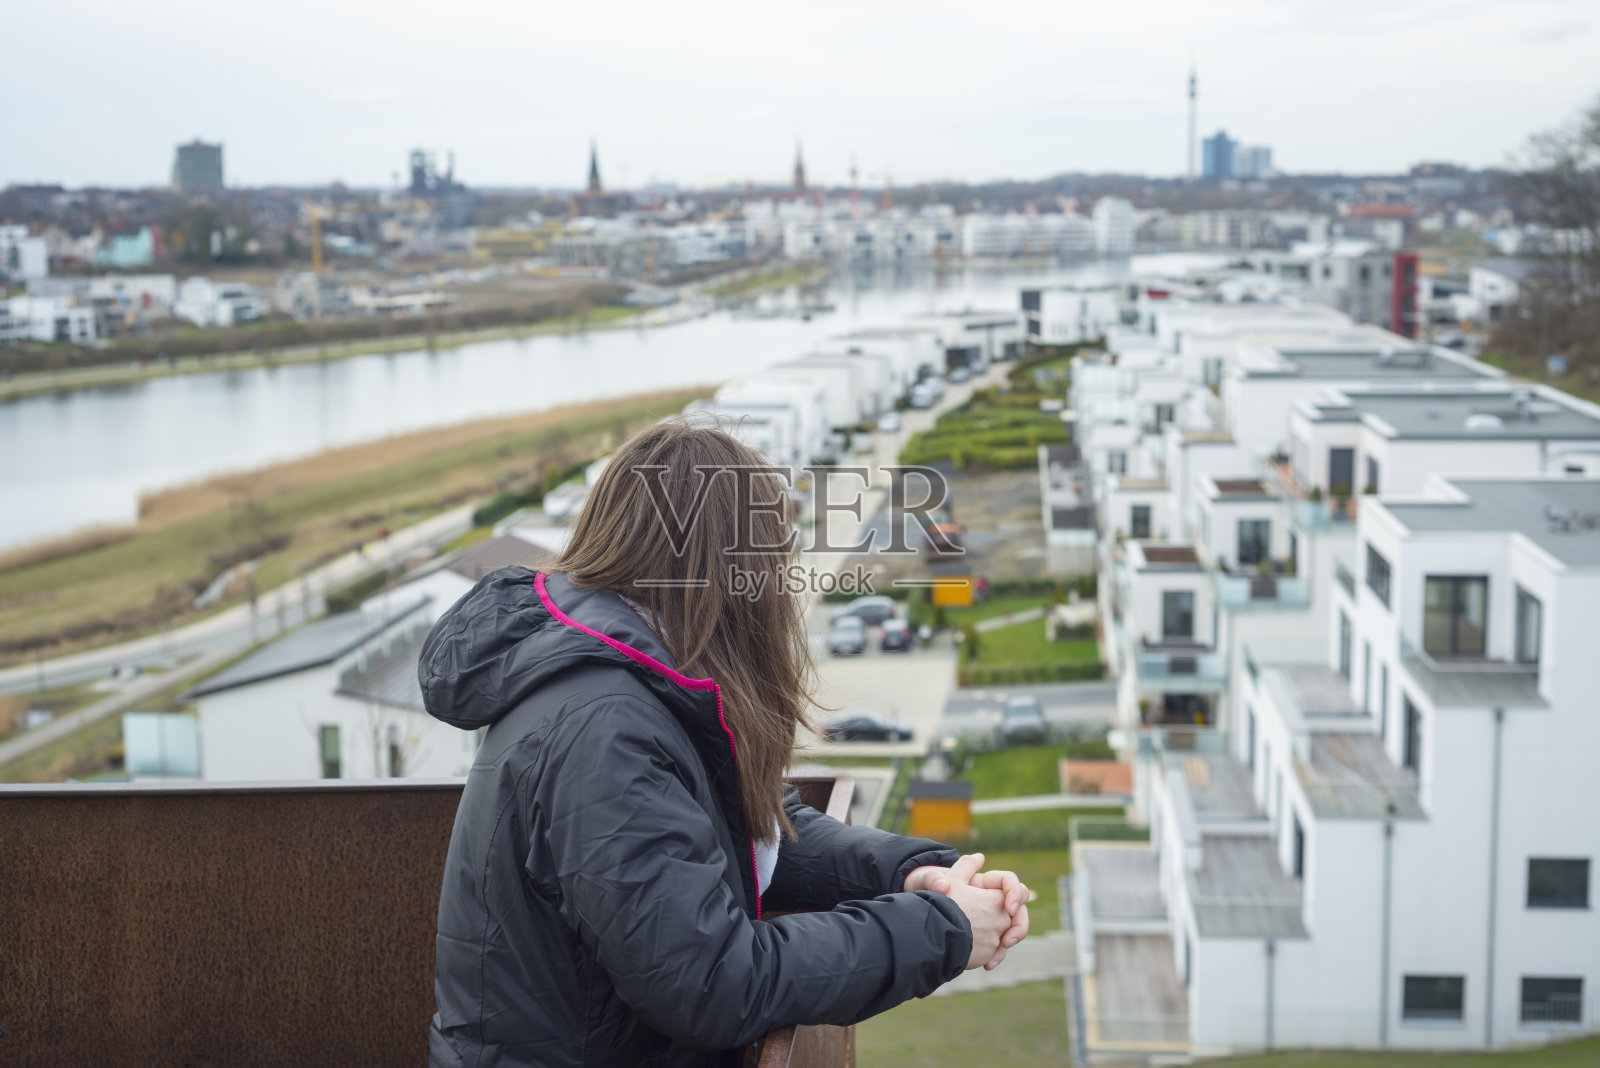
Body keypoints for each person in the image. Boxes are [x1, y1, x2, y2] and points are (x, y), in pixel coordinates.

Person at [420, 421, 1029, 1068]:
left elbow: (756, 820)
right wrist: (945, 932)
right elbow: (710, 982)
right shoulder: (605, 725)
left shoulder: (627, 671)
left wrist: (911, 870)